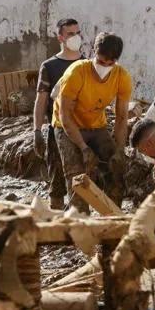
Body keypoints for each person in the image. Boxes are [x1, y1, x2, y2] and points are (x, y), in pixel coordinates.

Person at [53, 32, 132, 209]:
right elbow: (65, 115)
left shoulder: (122, 77)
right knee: (77, 177)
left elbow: (121, 118)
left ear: (116, 61)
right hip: (68, 126)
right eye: (101, 61)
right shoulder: (76, 72)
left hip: (96, 125)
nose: (104, 66)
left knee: (116, 168)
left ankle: (114, 218)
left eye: (110, 63)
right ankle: (80, 221)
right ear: (94, 53)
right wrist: (83, 148)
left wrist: (119, 150)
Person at [33, 18, 84, 209]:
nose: (75, 37)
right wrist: (37, 131)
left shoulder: (86, 64)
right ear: (60, 37)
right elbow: (41, 101)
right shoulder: (49, 66)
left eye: (77, 33)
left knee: (82, 178)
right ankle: (56, 227)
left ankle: (80, 219)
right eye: (70, 34)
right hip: (57, 129)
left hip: (83, 129)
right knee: (56, 180)